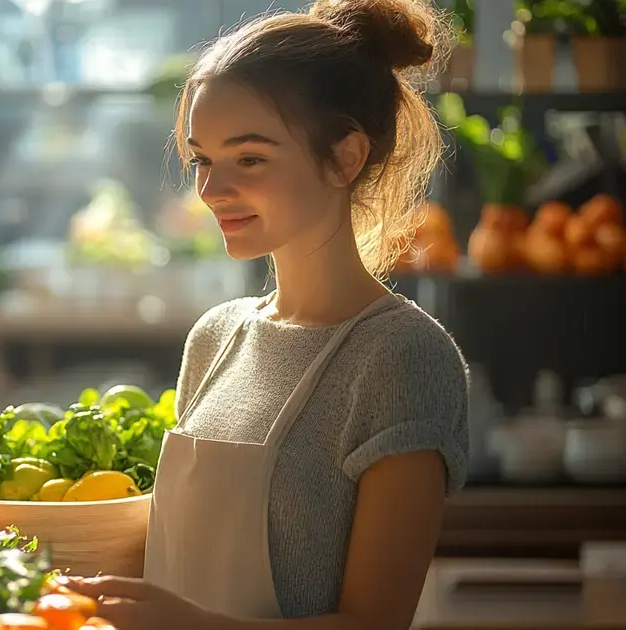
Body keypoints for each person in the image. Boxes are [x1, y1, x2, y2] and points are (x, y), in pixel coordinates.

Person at [60, 1, 471, 629]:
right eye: (202, 159)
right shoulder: (216, 338)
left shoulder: (404, 357)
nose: (210, 190)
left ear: (346, 157)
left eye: (249, 159)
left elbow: (375, 623)